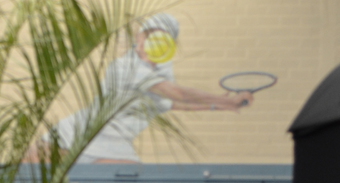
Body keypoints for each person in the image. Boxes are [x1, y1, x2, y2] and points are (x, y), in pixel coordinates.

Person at [51, 12, 253, 163]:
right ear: (139, 38)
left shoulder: (155, 79)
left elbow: (176, 104)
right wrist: (226, 100)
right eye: (148, 35)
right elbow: (178, 94)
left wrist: (223, 105)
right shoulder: (126, 67)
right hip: (72, 136)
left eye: (161, 37)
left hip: (113, 146)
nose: (153, 41)